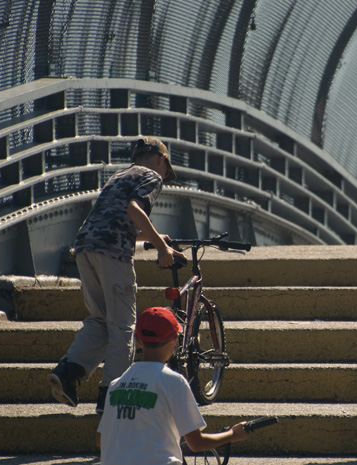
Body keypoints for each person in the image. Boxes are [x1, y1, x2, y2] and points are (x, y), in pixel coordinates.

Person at [48, 136, 186, 414]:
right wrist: (162, 249)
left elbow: (115, 221)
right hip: (112, 254)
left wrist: (156, 238)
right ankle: (111, 398)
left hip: (86, 248)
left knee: (99, 319)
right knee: (123, 327)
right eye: (165, 169)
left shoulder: (119, 176)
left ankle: (68, 372)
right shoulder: (151, 176)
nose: (163, 175)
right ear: (161, 160)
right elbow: (134, 210)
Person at [97, 306, 250, 465]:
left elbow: (101, 439)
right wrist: (233, 434)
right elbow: (197, 443)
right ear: (174, 340)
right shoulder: (173, 382)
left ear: (137, 340)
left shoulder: (116, 385)